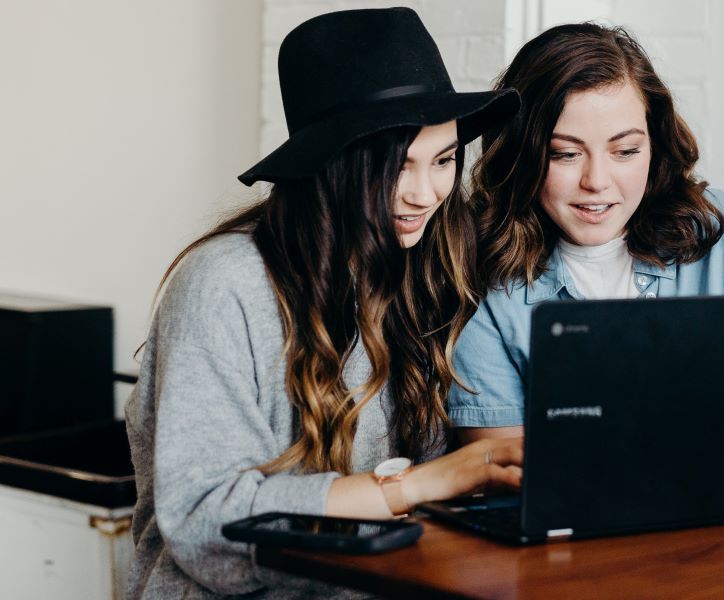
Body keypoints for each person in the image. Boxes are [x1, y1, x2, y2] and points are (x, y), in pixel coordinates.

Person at [124, 8, 521, 598]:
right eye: (395, 166)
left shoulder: (423, 270)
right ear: (332, 164)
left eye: (443, 161)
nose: (424, 193)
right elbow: (205, 516)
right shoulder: (225, 283)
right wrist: (417, 486)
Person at [448, 23, 724, 460]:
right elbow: (499, 463)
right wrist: (709, 421)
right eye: (565, 154)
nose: (596, 181)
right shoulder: (480, 269)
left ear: (655, 144)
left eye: (625, 151)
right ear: (522, 154)